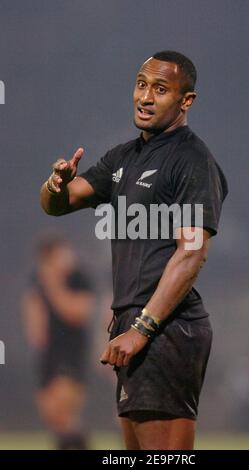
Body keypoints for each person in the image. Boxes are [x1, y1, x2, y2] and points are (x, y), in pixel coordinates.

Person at [40, 50, 228, 450]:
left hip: (166, 328)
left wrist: (142, 329)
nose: (145, 97)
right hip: (136, 324)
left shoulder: (191, 159)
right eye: (141, 85)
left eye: (160, 89)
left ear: (186, 101)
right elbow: (58, 204)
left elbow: (192, 252)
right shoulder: (124, 156)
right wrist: (55, 184)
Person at [22, 236, 94, 449]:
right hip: (49, 352)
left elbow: (77, 313)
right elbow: (34, 316)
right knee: (51, 413)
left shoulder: (78, 278)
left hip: (71, 351)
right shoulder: (37, 280)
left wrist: (53, 285)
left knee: (63, 408)